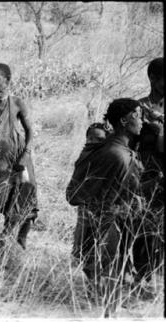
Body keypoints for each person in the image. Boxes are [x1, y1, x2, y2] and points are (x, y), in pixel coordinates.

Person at [66, 98, 144, 316]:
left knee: (109, 284)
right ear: (123, 120)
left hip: (111, 225)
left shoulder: (118, 150)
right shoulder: (116, 155)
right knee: (108, 284)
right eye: (138, 116)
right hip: (107, 226)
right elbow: (79, 195)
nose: (142, 122)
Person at [0, 63, 39, 249]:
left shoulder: (17, 102)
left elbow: (29, 130)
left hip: (16, 158)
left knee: (24, 193)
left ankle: (16, 238)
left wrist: (25, 154)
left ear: (8, 81)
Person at [132, 57, 164, 287]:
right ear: (153, 79)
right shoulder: (138, 109)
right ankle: (143, 280)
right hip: (146, 179)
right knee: (144, 230)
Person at [71, 122, 112, 266]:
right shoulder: (87, 154)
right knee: (82, 231)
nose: (93, 142)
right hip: (86, 200)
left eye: (99, 140)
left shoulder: (106, 155)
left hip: (100, 202)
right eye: (91, 138)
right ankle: (78, 259)